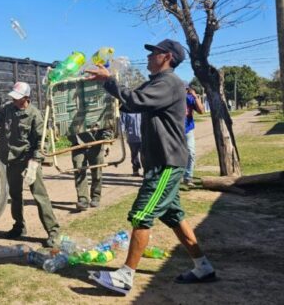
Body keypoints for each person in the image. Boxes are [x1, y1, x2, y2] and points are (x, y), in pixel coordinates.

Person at [85, 39, 216, 295]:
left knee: (142, 215)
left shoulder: (169, 83)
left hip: (166, 163)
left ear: (166, 56)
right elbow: (131, 100)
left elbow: (135, 100)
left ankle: (125, 276)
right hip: (162, 162)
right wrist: (107, 81)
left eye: (153, 53)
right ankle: (203, 267)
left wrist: (109, 80)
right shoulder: (159, 82)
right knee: (174, 216)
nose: (148, 57)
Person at [0, 82, 61, 247]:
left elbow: (42, 143)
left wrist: (34, 164)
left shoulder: (35, 115)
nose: (14, 100)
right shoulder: (8, 109)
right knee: (15, 196)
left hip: (29, 161)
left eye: (17, 98)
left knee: (40, 197)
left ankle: (53, 233)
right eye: (13, 97)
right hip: (12, 161)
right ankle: (19, 227)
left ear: (26, 98)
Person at [70, 126, 112, 211]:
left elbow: (106, 122)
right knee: (79, 170)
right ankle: (83, 199)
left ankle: (96, 196)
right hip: (77, 144)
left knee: (97, 172)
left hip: (96, 142)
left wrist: (107, 142)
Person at [184, 84, 205, 187]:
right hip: (173, 131)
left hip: (188, 130)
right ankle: (174, 178)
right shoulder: (171, 98)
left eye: (186, 89)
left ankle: (188, 177)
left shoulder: (189, 99)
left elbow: (201, 111)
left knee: (191, 153)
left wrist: (195, 97)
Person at [120, 111, 142, 176]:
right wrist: (122, 133)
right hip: (132, 137)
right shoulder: (126, 112)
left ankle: (146, 171)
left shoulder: (142, 110)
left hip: (143, 137)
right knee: (134, 155)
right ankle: (135, 171)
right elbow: (122, 123)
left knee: (144, 155)